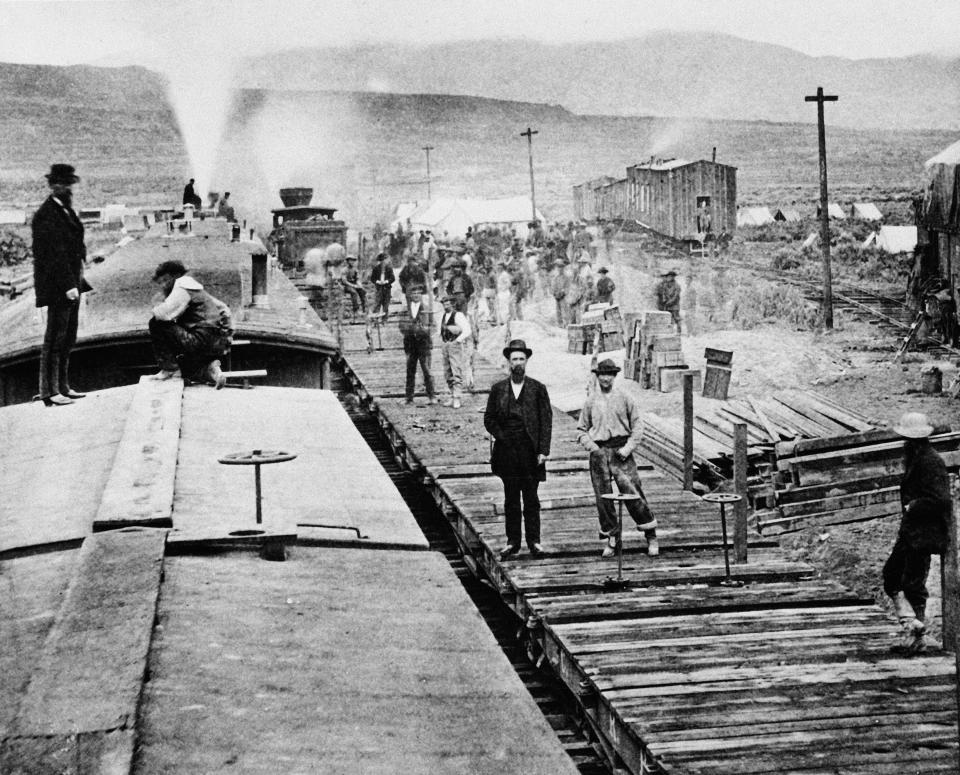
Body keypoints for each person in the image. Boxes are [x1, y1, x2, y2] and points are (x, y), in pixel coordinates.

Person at [883, 412, 951, 654]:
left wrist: (913, 506)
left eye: (908, 439)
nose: (906, 443)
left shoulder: (930, 461)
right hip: (911, 531)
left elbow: (941, 500)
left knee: (913, 583)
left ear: (918, 439)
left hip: (925, 533)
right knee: (891, 575)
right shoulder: (916, 457)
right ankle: (912, 625)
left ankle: (917, 638)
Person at [577, 359, 659, 558]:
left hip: (621, 452)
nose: (606, 378)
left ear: (615, 376)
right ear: (597, 377)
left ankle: (651, 535)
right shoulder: (590, 401)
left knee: (632, 492)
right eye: (602, 375)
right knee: (603, 498)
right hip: (599, 453)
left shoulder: (625, 398)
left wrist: (627, 449)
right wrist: (593, 447)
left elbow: (638, 427)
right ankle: (613, 538)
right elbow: (581, 430)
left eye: (610, 374)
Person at [484, 339, 552, 559]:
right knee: (511, 498)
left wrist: (543, 450)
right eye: (514, 359)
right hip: (507, 452)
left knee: (531, 498)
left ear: (527, 361)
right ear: (508, 362)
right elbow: (489, 419)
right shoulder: (498, 389)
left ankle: (534, 542)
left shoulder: (537, 388)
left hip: (530, 451)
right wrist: (502, 437)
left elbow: (546, 421)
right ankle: (512, 542)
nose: (518, 363)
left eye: (522, 359)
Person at [32, 163, 91, 406]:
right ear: (52, 185)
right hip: (59, 285)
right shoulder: (46, 215)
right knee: (55, 338)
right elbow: (53, 255)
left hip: (72, 280)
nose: (66, 188)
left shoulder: (66, 211)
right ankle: (49, 392)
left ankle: (63, 387)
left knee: (68, 337)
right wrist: (68, 284)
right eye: (62, 183)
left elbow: (75, 244)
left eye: (68, 183)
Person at [148, 260, 233, 388]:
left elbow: (163, 314)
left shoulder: (181, 286)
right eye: (160, 283)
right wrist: (227, 337)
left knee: (156, 323)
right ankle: (212, 370)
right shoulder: (198, 290)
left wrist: (155, 305)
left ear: (175, 276)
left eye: (165, 280)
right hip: (215, 342)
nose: (163, 286)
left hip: (198, 340)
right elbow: (225, 310)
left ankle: (169, 370)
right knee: (188, 369)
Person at [398, 285, 436, 405]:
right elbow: (401, 326)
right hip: (410, 343)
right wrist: (409, 329)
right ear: (409, 296)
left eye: (418, 293)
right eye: (413, 293)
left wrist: (424, 330)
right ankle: (409, 398)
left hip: (423, 343)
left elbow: (433, 326)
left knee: (427, 370)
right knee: (410, 370)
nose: (416, 295)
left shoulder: (427, 308)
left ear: (421, 295)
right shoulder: (405, 310)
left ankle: (432, 396)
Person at [438, 294, 471, 409]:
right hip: (445, 345)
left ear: (453, 304)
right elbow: (440, 330)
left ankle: (457, 397)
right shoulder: (443, 316)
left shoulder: (458, 315)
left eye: (448, 303)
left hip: (454, 345)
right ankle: (452, 396)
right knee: (447, 372)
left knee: (456, 370)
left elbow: (467, 330)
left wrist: (458, 340)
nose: (446, 306)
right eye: (444, 304)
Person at [369, 252, 395, 318]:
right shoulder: (376, 268)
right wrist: (377, 281)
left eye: (386, 260)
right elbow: (372, 278)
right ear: (381, 261)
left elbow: (392, 278)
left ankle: (384, 320)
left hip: (387, 288)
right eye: (384, 260)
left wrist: (386, 281)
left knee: (386, 304)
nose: (385, 261)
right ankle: (375, 320)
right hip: (378, 288)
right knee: (377, 303)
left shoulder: (389, 268)